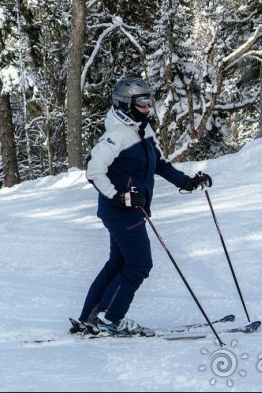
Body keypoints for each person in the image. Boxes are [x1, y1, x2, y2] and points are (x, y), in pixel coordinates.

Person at [70, 77, 212, 336]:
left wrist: (188, 182)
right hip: (121, 212)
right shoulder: (117, 134)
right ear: (126, 104)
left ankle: (90, 318)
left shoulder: (141, 129)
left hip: (132, 209)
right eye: (143, 102)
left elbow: (159, 163)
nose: (148, 107)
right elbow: (94, 170)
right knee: (139, 264)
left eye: (149, 101)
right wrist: (118, 197)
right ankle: (109, 319)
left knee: (118, 263)